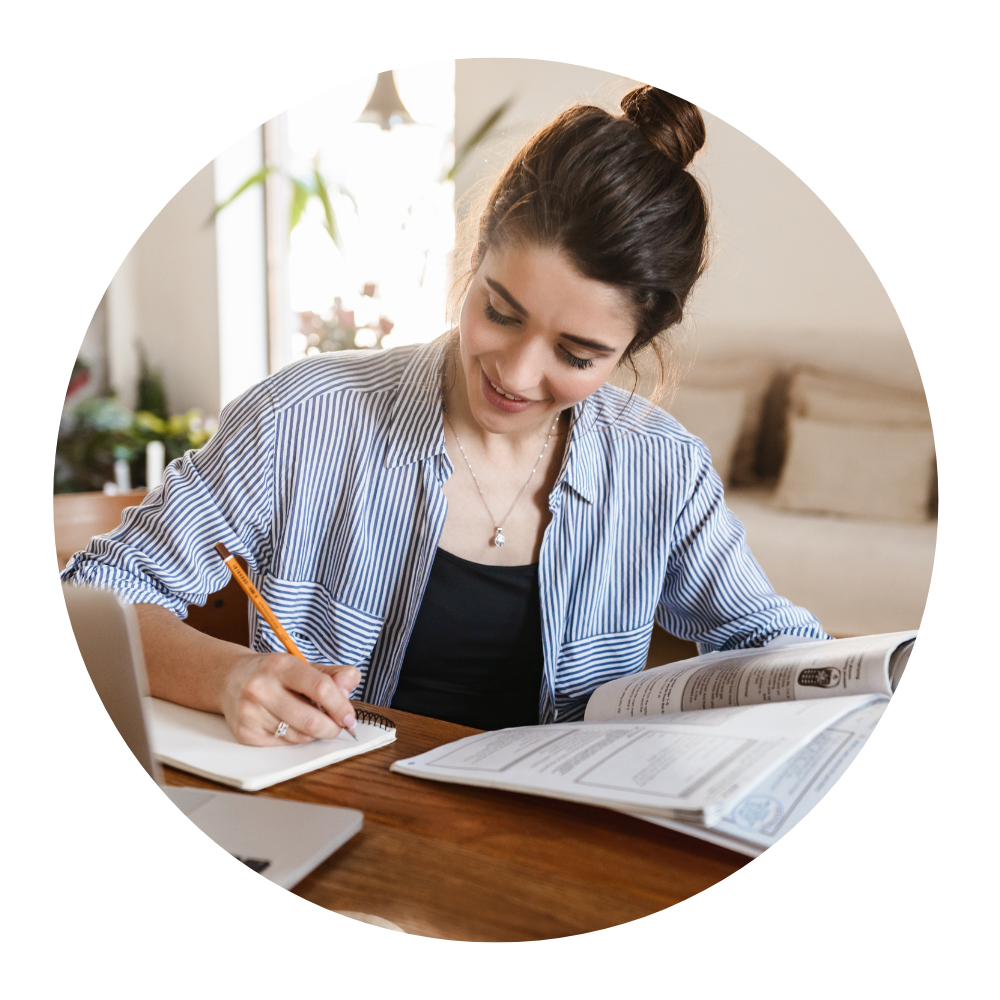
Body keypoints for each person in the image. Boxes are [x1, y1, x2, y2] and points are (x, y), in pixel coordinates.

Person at [62, 86, 827, 745]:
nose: (517, 374)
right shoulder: (301, 420)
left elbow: (769, 640)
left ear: (635, 345)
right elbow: (91, 598)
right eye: (500, 310)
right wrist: (234, 676)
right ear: (475, 252)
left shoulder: (664, 467)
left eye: (577, 353)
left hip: (554, 854)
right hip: (340, 821)